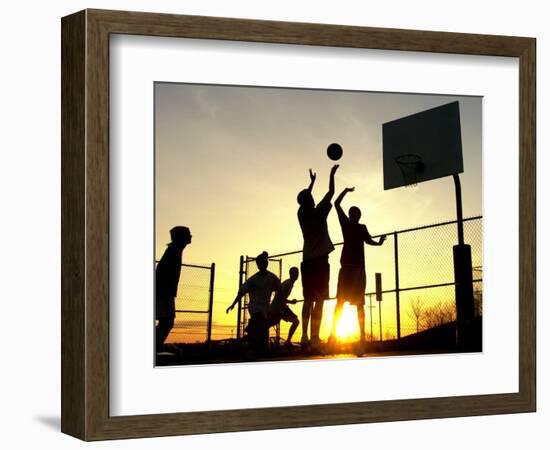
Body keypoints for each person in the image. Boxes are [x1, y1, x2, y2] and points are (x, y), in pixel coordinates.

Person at [328, 187, 386, 348]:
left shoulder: (362, 228)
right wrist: (345, 191)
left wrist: (379, 243)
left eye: (355, 213)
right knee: (340, 302)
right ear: (350, 215)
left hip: (358, 270)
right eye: (351, 213)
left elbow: (368, 240)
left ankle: (362, 337)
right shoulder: (345, 224)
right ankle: (333, 335)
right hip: (346, 269)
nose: (353, 215)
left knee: (359, 304)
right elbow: (336, 203)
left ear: (359, 216)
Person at [297, 164, 339, 350]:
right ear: (310, 201)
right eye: (311, 196)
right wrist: (331, 174)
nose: (313, 196)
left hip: (307, 261)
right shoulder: (320, 211)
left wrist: (311, 183)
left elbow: (304, 197)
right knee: (320, 300)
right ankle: (315, 337)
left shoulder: (301, 213)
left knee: (308, 299)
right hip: (320, 262)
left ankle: (305, 335)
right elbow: (331, 191)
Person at [226, 251, 281, 356]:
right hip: (255, 308)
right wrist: (233, 304)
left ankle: (242, 343)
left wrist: (281, 304)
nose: (264, 264)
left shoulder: (272, 277)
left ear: (267, 263)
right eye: (261, 263)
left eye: (265, 262)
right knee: (260, 323)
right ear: (258, 265)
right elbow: (241, 292)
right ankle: (250, 347)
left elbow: (280, 290)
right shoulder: (253, 280)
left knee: (260, 330)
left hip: (266, 309)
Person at [155, 226, 192, 352]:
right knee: (166, 322)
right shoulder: (173, 251)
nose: (191, 236)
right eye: (188, 234)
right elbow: (161, 272)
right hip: (164, 292)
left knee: (166, 322)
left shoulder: (175, 250)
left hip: (165, 292)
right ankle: (155, 346)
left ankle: (156, 345)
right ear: (181, 237)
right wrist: (161, 292)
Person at [268, 266, 300, 347]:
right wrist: (291, 302)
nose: (297, 275)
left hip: (280, 307)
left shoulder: (289, 283)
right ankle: (288, 342)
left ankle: (288, 341)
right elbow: (279, 296)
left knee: (269, 323)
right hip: (278, 308)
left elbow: (280, 296)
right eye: (295, 273)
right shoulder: (288, 283)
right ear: (291, 274)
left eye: (297, 273)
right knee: (296, 321)